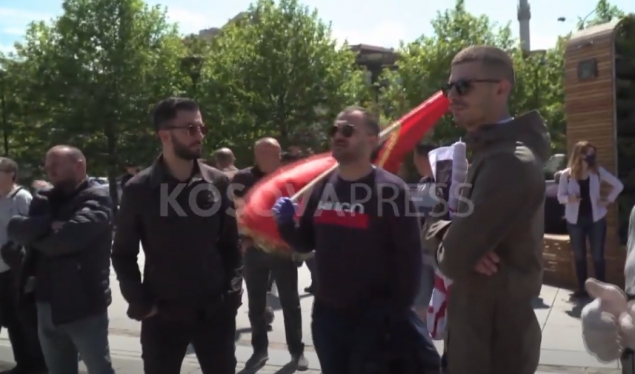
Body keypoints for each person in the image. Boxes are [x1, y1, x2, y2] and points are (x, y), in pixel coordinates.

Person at [273, 106, 440, 374]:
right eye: (335, 130)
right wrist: (285, 223)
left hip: (375, 320)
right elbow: (305, 243)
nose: (338, 135)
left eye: (348, 130)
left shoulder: (391, 190)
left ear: (372, 139)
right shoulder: (322, 186)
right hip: (328, 319)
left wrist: (393, 317)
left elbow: (409, 262)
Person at [424, 46, 550, 374]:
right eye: (449, 87)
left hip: (494, 349)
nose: (452, 96)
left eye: (463, 86)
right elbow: (445, 237)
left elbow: (452, 258)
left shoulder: (507, 160)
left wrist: (454, 240)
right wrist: (454, 234)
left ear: (500, 88)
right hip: (477, 336)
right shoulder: (486, 153)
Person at [111, 97, 242, 374]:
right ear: (164, 135)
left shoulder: (218, 182)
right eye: (191, 128)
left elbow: (231, 245)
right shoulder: (139, 189)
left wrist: (231, 294)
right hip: (163, 314)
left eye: (201, 128)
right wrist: (141, 302)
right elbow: (123, 253)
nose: (200, 135)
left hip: (214, 314)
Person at [8, 146, 114, 374]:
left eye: (55, 165)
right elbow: (16, 229)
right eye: (47, 166)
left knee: (98, 367)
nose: (50, 172)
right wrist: (50, 225)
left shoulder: (97, 197)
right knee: (57, 369)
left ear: (79, 166)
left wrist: (37, 235)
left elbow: (64, 241)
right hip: (45, 303)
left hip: (83, 304)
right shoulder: (45, 198)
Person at [232, 138, 308, 371]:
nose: (268, 158)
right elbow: (234, 211)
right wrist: (243, 238)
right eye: (263, 153)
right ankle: (259, 350)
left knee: (290, 303)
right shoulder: (242, 179)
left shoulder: (288, 177)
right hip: (253, 249)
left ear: (279, 155)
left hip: (281, 248)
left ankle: (297, 352)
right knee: (256, 303)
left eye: (273, 153)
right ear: (255, 155)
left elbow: (300, 209)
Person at [557, 141, 623, 298]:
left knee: (598, 256)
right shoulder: (566, 175)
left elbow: (618, 185)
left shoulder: (597, 172)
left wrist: (607, 200)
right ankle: (582, 288)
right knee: (579, 256)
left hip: (596, 220)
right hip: (575, 221)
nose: (592, 157)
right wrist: (570, 198)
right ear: (580, 155)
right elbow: (560, 197)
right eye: (589, 154)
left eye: (594, 154)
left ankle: (602, 291)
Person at [0, 158, 47, 374]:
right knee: (10, 320)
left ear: (11, 174)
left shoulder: (21, 198)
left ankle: (34, 366)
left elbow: (33, 232)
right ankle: (23, 364)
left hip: (17, 270)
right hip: (1, 269)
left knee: (23, 321)